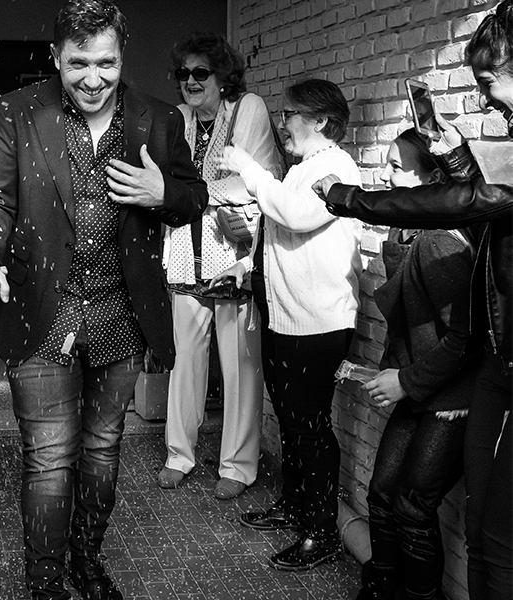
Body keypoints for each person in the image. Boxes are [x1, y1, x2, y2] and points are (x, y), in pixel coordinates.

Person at [0, 1, 208, 598]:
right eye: (78, 64)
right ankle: (45, 580)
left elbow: (195, 198)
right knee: (49, 457)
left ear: (122, 56)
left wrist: (163, 193)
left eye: (106, 63)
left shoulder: (158, 119)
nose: (93, 78)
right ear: (56, 57)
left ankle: (86, 560)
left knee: (102, 448)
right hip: (42, 312)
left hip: (122, 314)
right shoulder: (17, 111)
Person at [315, 3, 513, 597]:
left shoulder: (436, 236)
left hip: (467, 383)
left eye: (489, 83)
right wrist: (456, 156)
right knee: (470, 532)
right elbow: (486, 205)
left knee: (479, 535)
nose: (487, 102)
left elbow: (464, 205)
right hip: (486, 376)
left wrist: (348, 198)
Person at [213, 78, 362, 571]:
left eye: (290, 114)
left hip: (317, 324)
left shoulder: (337, 168)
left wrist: (249, 168)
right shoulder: (303, 168)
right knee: (292, 422)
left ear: (321, 121)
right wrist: (246, 265)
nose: (282, 123)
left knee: (309, 427)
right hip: (286, 319)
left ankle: (322, 533)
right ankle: (296, 507)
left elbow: (297, 216)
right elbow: (278, 233)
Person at [157, 31, 282, 499]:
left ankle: (238, 465)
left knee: (240, 367)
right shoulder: (179, 118)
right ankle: (179, 455)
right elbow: (167, 182)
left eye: (200, 72)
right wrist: (183, 194)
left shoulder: (248, 108)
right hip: (184, 255)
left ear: (223, 75)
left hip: (235, 257)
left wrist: (184, 194)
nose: (190, 81)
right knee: (184, 363)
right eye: (183, 73)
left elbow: (246, 183)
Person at [352, 128, 476, 600]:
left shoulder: (439, 242)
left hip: (452, 395)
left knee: (411, 505)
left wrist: (404, 381)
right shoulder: (404, 230)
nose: (385, 176)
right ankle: (382, 587)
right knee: (381, 496)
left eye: (396, 167)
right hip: (419, 386)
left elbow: (465, 340)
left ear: (431, 181)